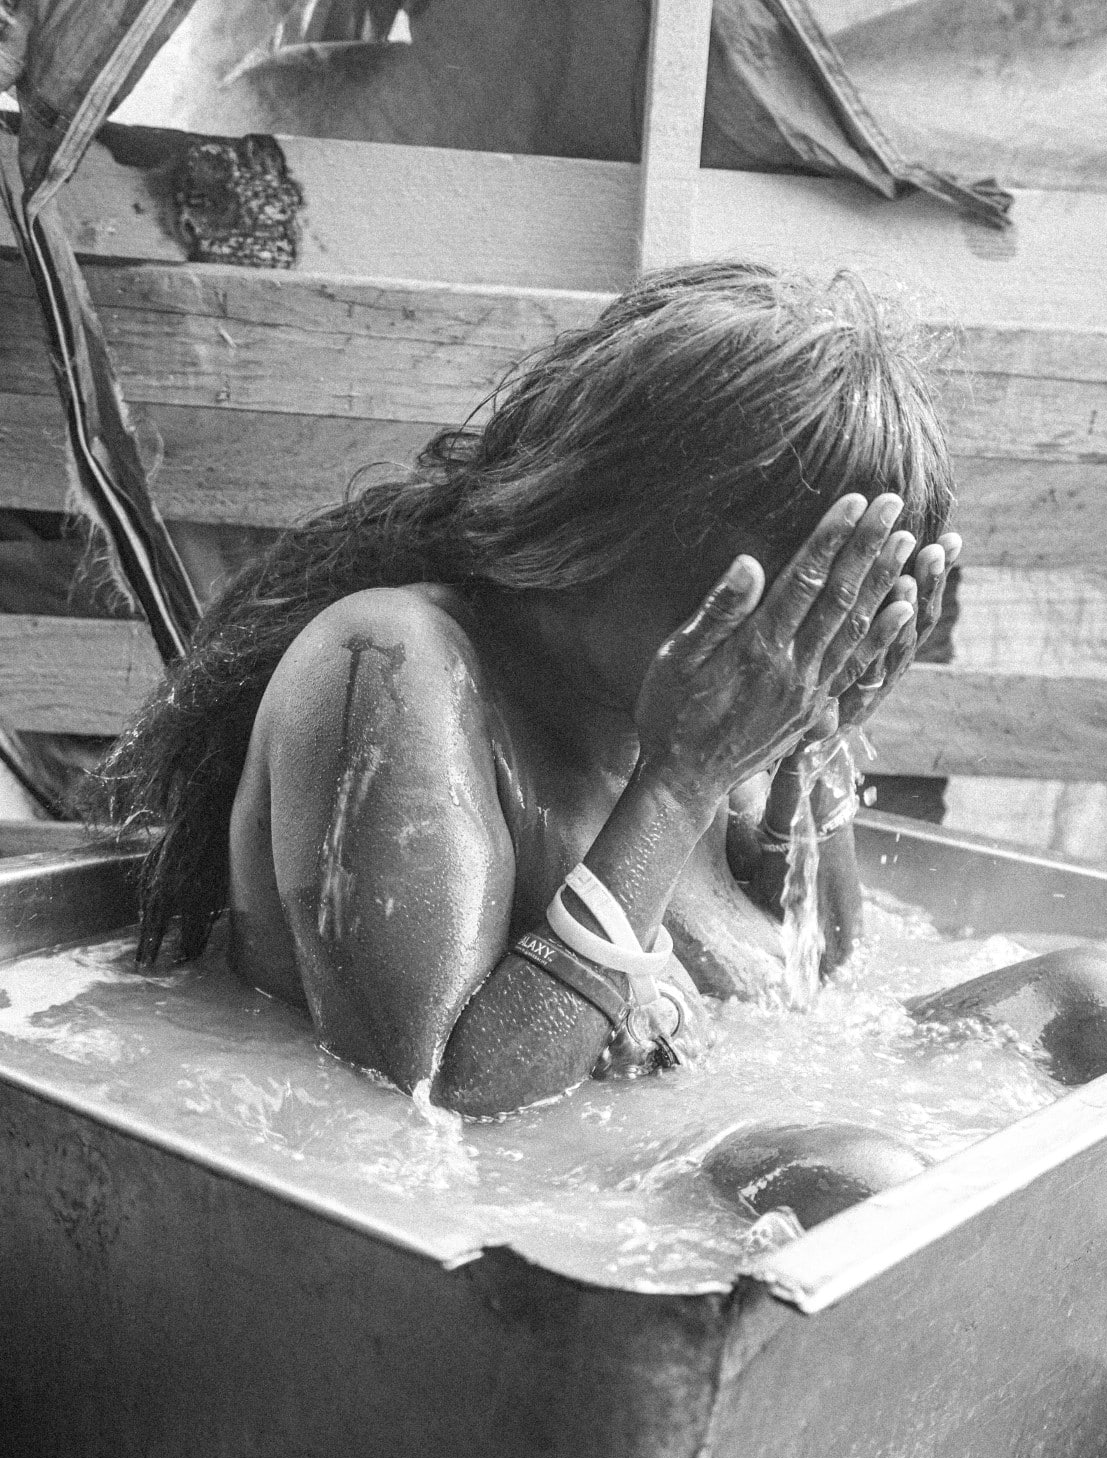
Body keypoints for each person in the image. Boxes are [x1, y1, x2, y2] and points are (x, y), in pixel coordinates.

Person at [96, 261, 958, 1118]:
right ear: (616, 521)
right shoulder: (392, 664)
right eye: (813, 594)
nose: (808, 650)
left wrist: (819, 740)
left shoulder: (711, 708)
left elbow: (828, 989)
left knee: (1083, 994)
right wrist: (683, 783)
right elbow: (436, 1103)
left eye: (852, 605)